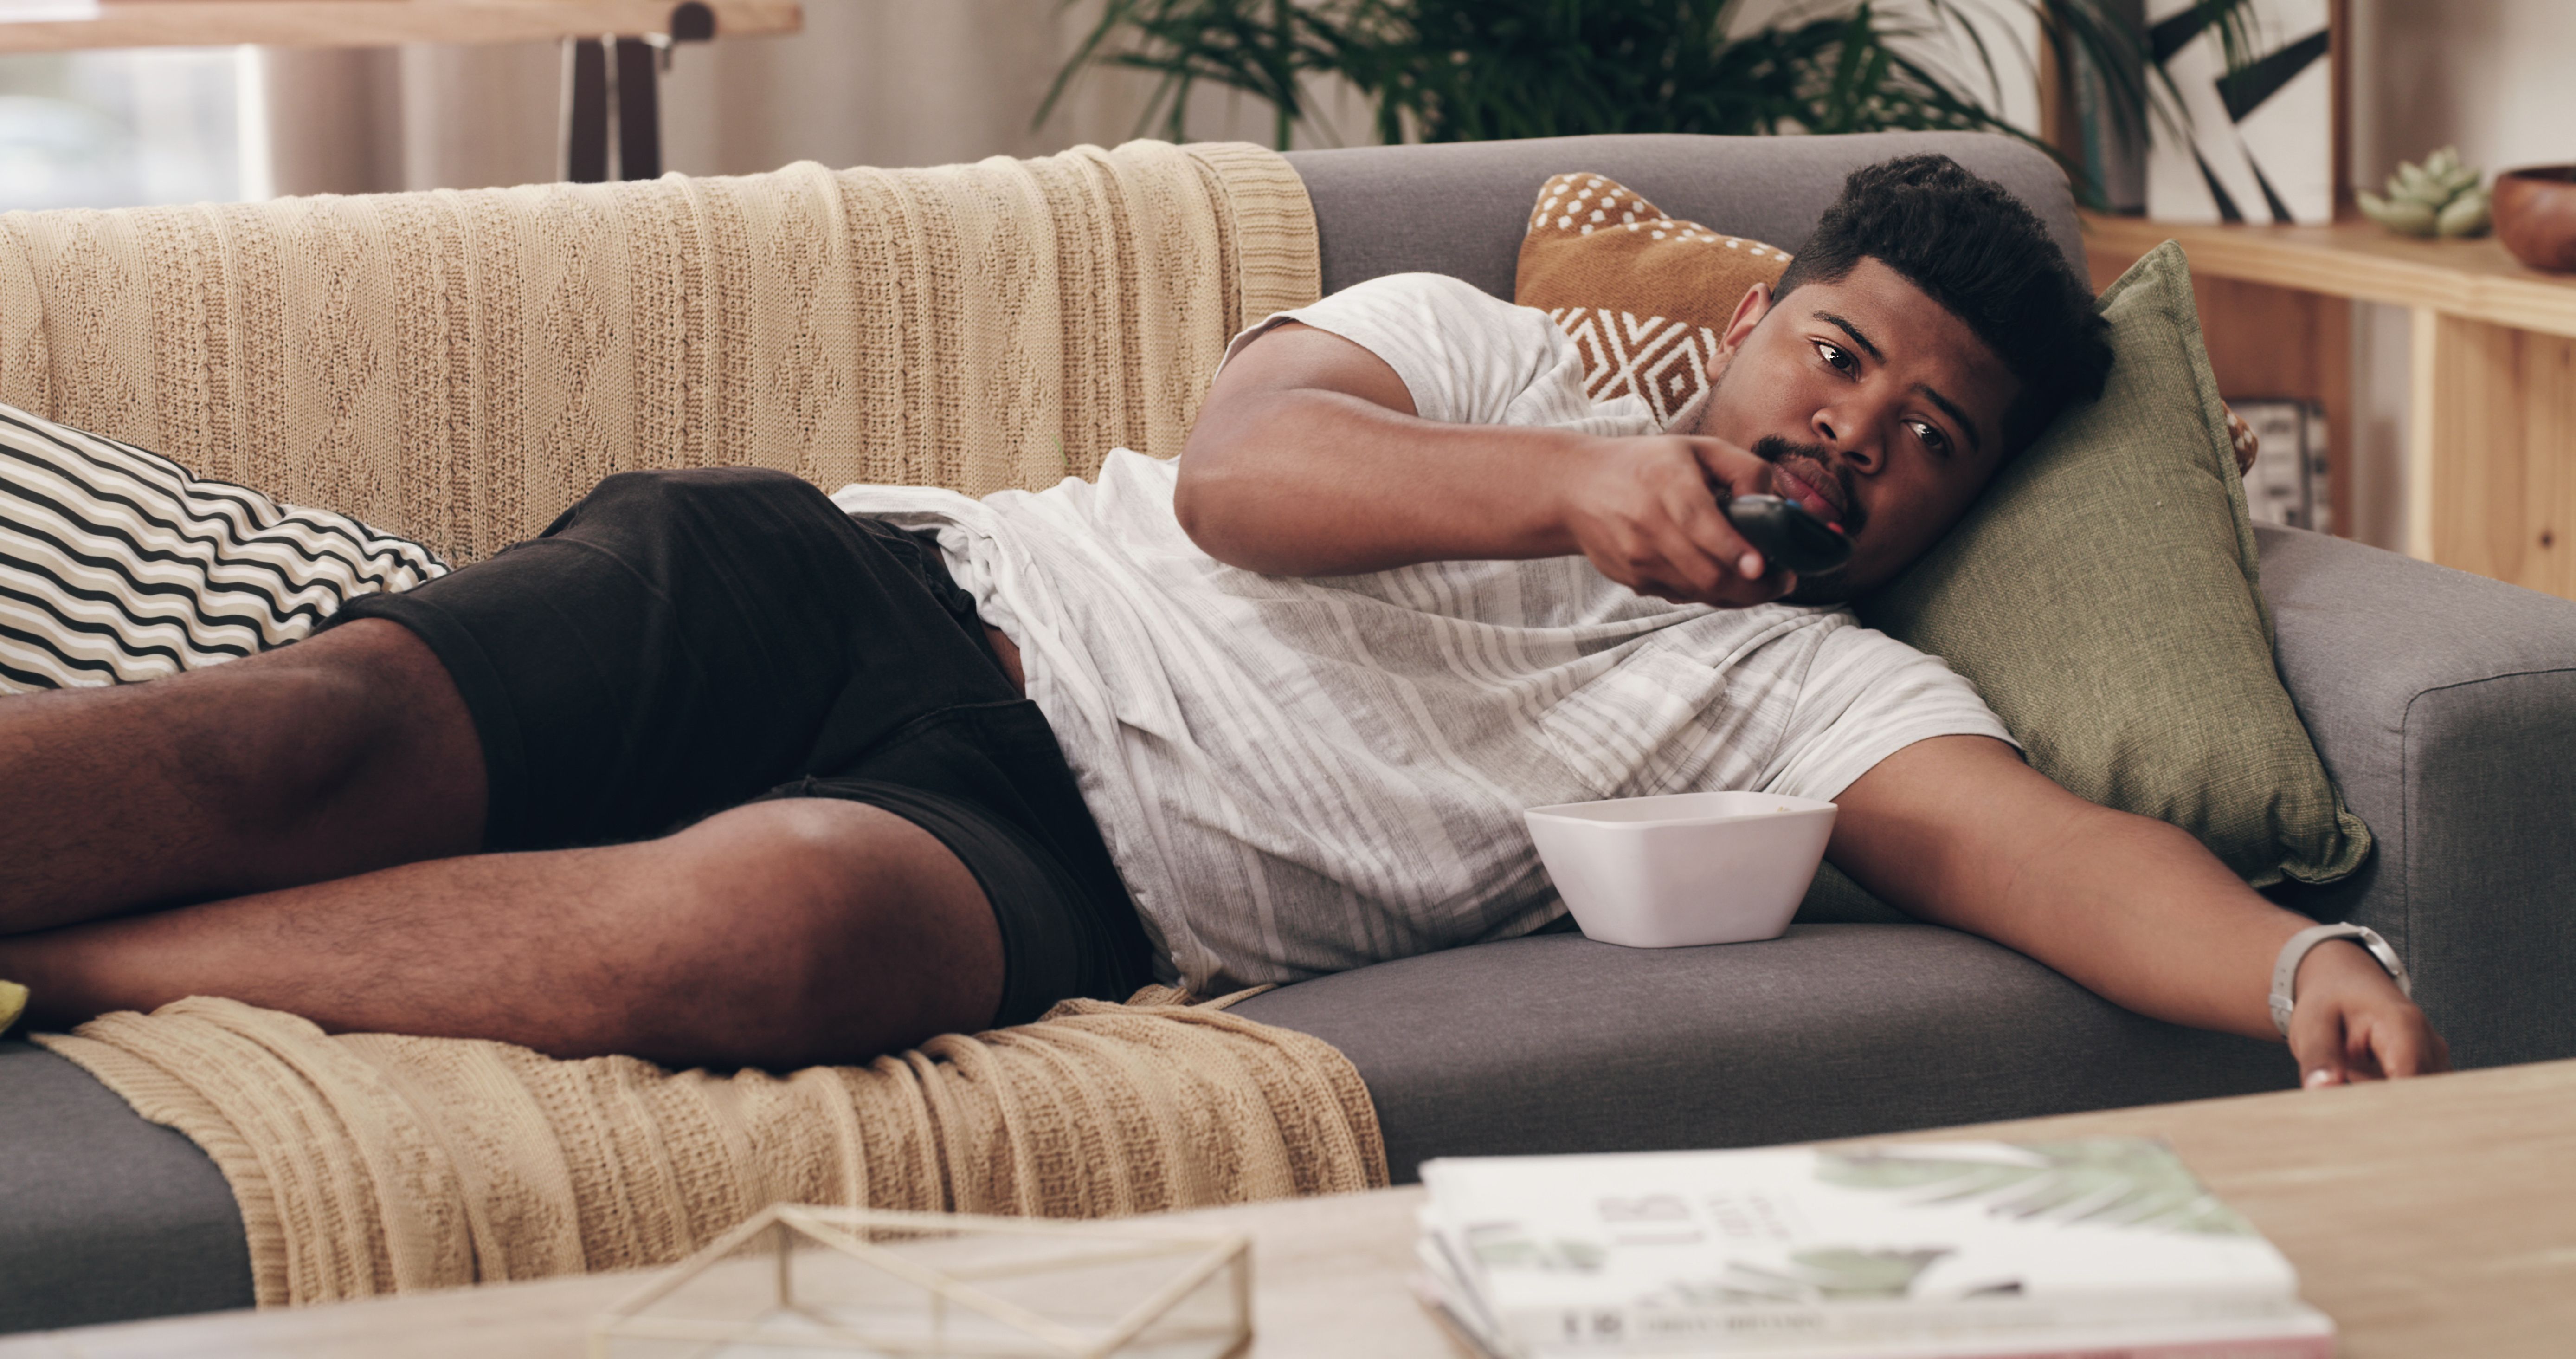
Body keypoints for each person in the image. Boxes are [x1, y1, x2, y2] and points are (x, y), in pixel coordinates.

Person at [0, 156, 2446, 1088]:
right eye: (1837, 359)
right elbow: (1247, 481)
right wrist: (1575, 487)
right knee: (294, 741)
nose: (1854, 435)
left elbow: (2048, 855)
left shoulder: (1820, 690)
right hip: (882, 585)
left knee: (769, 936)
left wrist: (2295, 966)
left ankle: (64, 965)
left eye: (1929, 437)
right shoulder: (1485, 354)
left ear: (1956, 500)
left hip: (1055, 851)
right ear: (1752, 322)